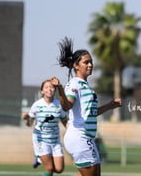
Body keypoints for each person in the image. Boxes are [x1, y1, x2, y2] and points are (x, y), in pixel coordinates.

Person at [56, 37, 122, 176]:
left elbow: (90, 113)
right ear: (76, 65)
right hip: (79, 137)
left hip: (87, 138)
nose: (90, 65)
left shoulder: (86, 86)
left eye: (91, 62)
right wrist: (60, 90)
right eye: (86, 62)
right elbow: (67, 106)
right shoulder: (74, 84)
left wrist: (110, 106)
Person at [21, 78, 68, 176]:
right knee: (49, 168)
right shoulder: (37, 105)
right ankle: (39, 156)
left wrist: (73, 131)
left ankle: (39, 158)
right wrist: (26, 118)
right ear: (42, 91)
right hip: (41, 140)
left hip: (55, 140)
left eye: (51, 87)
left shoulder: (59, 104)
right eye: (46, 87)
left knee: (59, 169)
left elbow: (64, 121)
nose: (49, 89)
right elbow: (30, 124)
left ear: (54, 90)